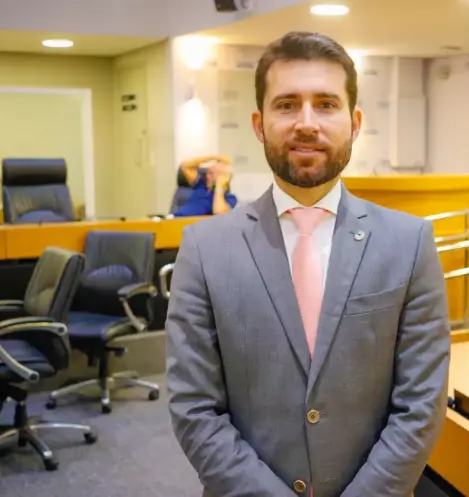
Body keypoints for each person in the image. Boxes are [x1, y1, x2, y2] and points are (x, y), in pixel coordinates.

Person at [165, 31, 450, 497]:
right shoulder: (204, 248)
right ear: (259, 124)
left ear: (355, 122)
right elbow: (195, 409)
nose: (306, 123)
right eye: (286, 105)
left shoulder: (410, 243)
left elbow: (421, 404)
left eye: (326, 104)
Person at [172, 155, 238, 217]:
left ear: (222, 178)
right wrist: (215, 157)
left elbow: (219, 213)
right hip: (173, 220)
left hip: (188, 223)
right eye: (207, 173)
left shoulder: (229, 198)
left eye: (211, 173)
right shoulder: (201, 184)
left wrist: (219, 186)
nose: (207, 176)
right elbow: (184, 167)